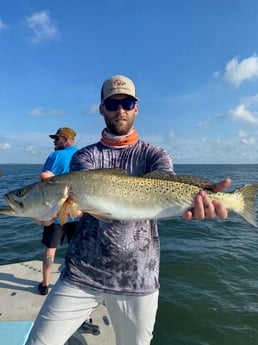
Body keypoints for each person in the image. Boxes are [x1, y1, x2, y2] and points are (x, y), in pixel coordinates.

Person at [26, 75, 230, 345]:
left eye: (127, 102)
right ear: (101, 109)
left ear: (136, 107)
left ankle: (236, 201)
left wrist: (204, 200)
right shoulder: (84, 156)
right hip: (81, 274)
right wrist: (50, 211)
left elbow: (166, 181)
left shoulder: (155, 154)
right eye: (112, 104)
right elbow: (79, 202)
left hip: (139, 280)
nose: (120, 109)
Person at [38, 127, 79, 296]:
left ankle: (45, 284)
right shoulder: (83, 155)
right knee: (77, 249)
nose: (54, 142)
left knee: (50, 249)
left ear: (67, 139)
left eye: (57, 139)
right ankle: (77, 285)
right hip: (78, 211)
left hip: (56, 212)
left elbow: (44, 181)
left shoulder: (55, 156)